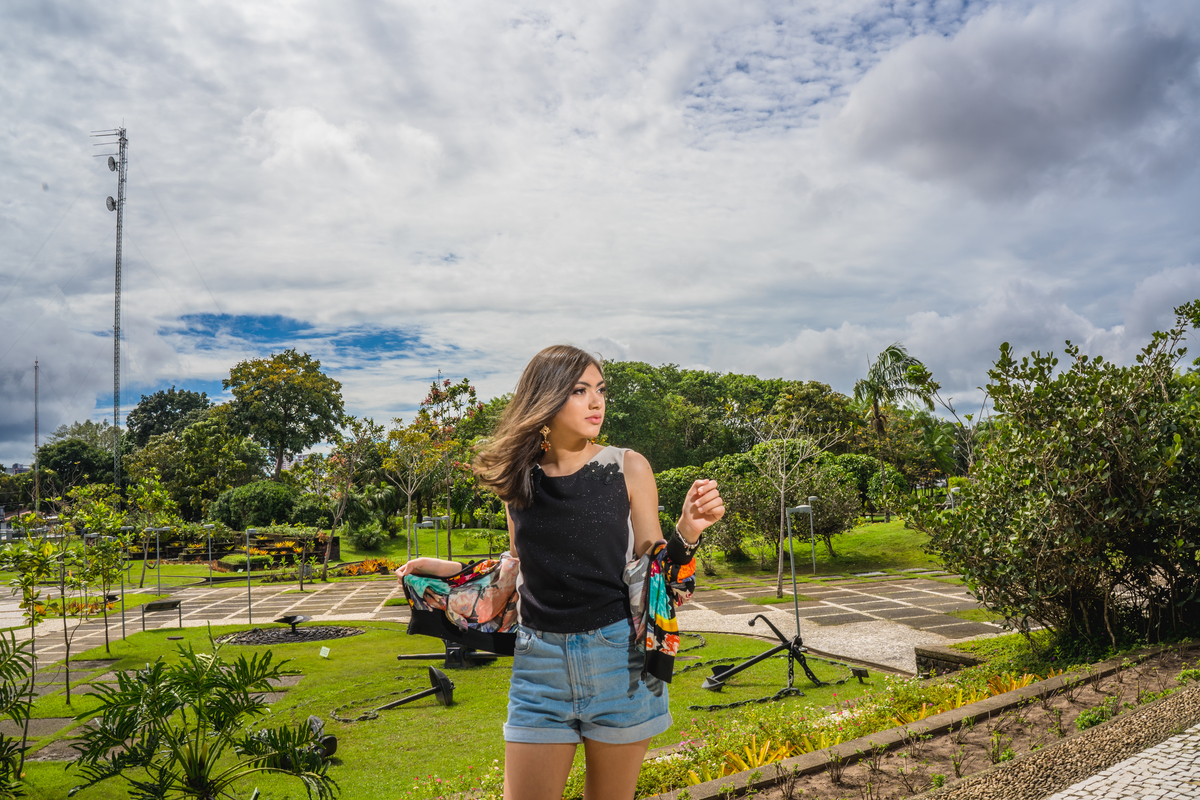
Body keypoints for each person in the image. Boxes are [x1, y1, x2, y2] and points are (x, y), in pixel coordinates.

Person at [397, 344, 724, 799]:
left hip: (618, 664)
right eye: (579, 390)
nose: (597, 402)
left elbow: (655, 578)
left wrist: (687, 531)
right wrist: (447, 571)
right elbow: (517, 570)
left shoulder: (627, 467)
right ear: (546, 398)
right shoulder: (519, 480)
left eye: (600, 390)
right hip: (539, 667)